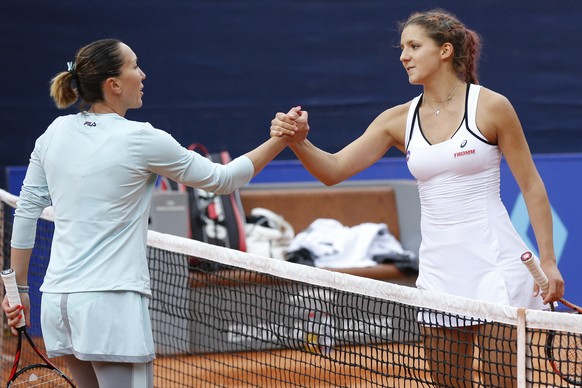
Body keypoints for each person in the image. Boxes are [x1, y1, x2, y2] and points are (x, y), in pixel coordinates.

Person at [270, 9, 565, 387]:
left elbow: (532, 186)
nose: (402, 55)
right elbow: (333, 170)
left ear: (444, 51)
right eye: (402, 47)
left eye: (413, 46)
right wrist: (299, 142)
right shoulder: (397, 120)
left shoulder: (492, 106)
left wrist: (549, 261)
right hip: (439, 273)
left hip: (496, 269)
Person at [1, 38, 302, 388]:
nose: (142, 74)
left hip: (58, 305)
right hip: (111, 308)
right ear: (113, 84)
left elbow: (26, 211)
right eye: (134, 66)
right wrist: (282, 140)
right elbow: (221, 180)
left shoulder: (54, 133)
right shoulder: (141, 138)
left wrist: (16, 287)